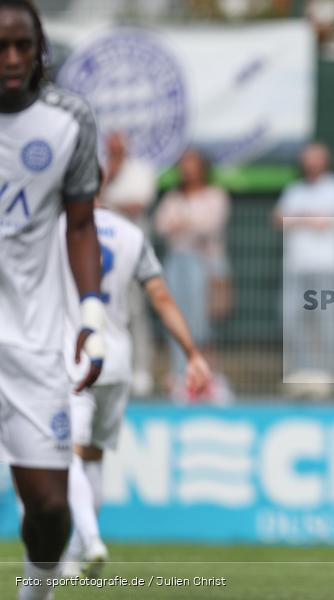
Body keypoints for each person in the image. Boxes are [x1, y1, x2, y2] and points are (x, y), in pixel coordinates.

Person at [0, 2, 105, 597]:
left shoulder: (69, 120)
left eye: (23, 45)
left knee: (49, 510)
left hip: (32, 341)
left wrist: (89, 317)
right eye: (0, 47)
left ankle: (34, 591)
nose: (12, 59)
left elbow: (82, 224)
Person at [58, 200, 212, 577]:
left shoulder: (56, 227)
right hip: (118, 357)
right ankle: (73, 559)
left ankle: (90, 540)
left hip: (73, 353)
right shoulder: (131, 233)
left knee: (68, 455)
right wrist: (192, 352)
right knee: (93, 457)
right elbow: (160, 296)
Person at [273, 142, 334, 388]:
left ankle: (327, 374)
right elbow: (278, 219)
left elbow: (326, 222)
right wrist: (309, 218)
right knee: (292, 320)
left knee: (327, 321)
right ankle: (301, 373)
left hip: (327, 266)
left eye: (317, 158)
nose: (312, 164)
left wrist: (297, 218)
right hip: (296, 266)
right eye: (308, 159)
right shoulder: (294, 189)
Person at [154, 149, 231, 395]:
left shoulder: (215, 195)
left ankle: (205, 374)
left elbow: (209, 225)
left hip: (205, 263)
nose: (188, 169)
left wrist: (183, 223)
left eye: (193, 164)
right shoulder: (173, 197)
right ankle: (179, 375)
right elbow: (162, 224)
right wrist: (188, 223)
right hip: (177, 262)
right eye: (184, 164)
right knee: (176, 317)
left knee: (201, 322)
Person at [99, 131, 158, 395]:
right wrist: (108, 177)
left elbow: (137, 204)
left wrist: (108, 202)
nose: (114, 151)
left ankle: (141, 370)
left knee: (136, 311)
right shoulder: (99, 168)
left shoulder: (141, 170)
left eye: (118, 146)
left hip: (133, 249)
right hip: (101, 250)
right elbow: (91, 200)